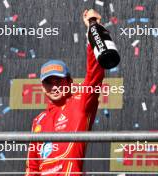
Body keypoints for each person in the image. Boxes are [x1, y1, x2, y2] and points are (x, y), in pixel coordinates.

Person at [25, 9, 104, 176]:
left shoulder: (81, 102)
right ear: (41, 86)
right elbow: (32, 167)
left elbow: (94, 75)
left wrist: (93, 31)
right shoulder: (38, 121)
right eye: (48, 82)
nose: (54, 87)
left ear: (69, 82)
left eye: (58, 81)